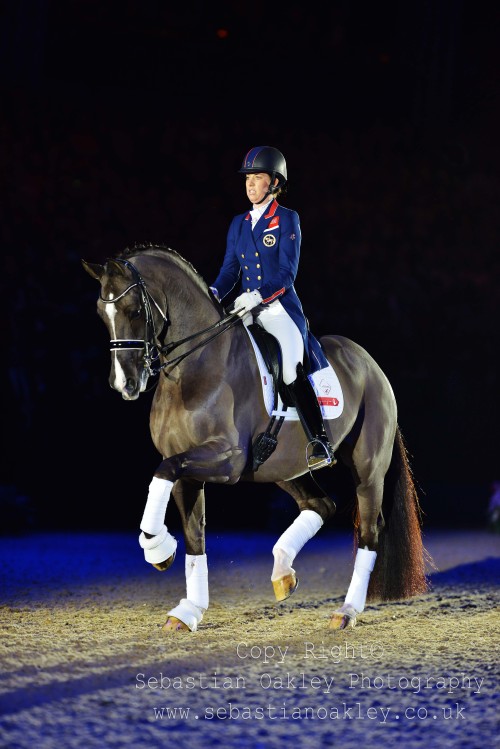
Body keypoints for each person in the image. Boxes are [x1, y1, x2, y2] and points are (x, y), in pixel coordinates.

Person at [210, 145, 335, 470]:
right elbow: (229, 271)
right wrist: (212, 292)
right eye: (247, 179)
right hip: (245, 309)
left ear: (275, 183)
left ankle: (319, 440)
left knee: (292, 370)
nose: (250, 184)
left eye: (258, 178)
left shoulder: (286, 219)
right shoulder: (238, 223)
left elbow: (286, 273)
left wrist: (258, 296)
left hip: (279, 310)